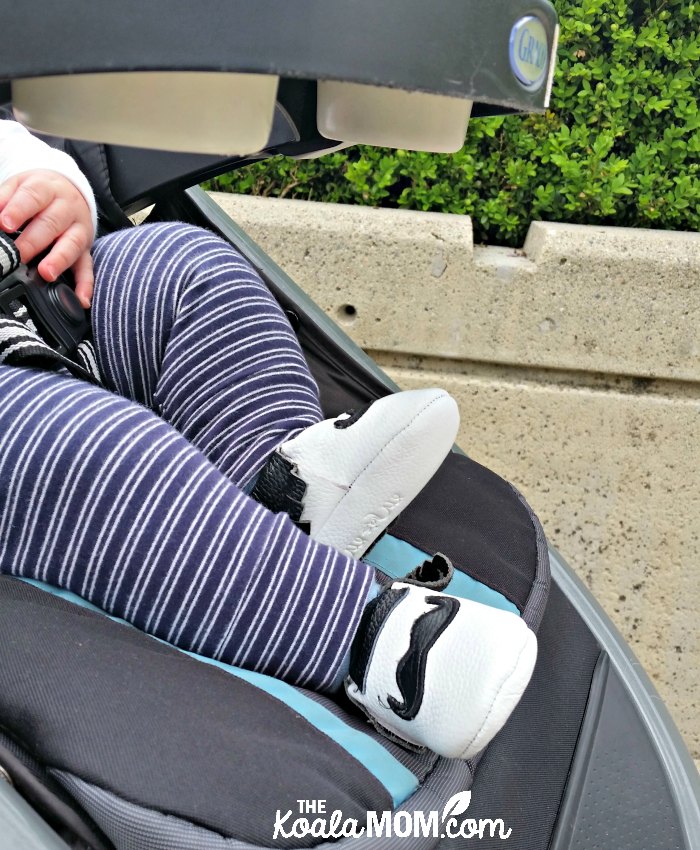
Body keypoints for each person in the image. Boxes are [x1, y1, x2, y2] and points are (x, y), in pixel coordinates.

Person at [0, 117, 536, 760]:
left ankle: (280, 490)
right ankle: (364, 638)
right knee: (87, 451)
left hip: (46, 302)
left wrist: (58, 193)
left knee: (179, 265)